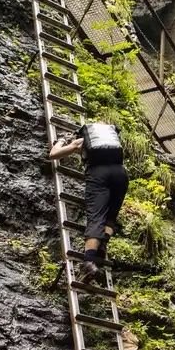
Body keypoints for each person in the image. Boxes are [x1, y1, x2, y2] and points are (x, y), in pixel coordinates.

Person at [49, 121, 128, 282]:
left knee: (96, 217)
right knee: (110, 217)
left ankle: (88, 262)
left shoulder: (83, 141)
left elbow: (53, 155)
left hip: (99, 174)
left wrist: (61, 141)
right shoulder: (112, 142)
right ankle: (101, 248)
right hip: (121, 174)